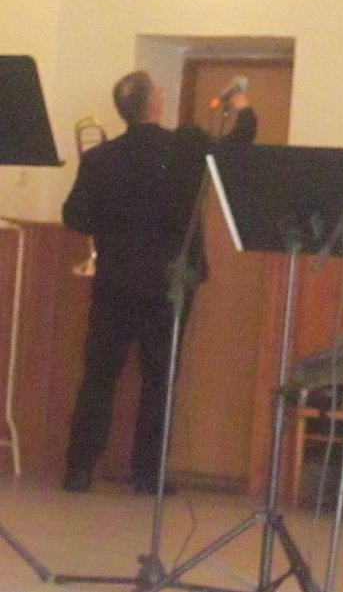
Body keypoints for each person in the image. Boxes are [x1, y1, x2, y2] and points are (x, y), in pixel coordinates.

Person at [61, 70, 257, 495]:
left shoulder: (100, 157)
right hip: (170, 283)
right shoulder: (186, 145)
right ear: (154, 104)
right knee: (159, 380)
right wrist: (242, 108)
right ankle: (148, 475)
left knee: (99, 376)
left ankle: (78, 469)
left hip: (115, 281)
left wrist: (114, 222)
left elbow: (75, 216)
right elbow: (239, 146)